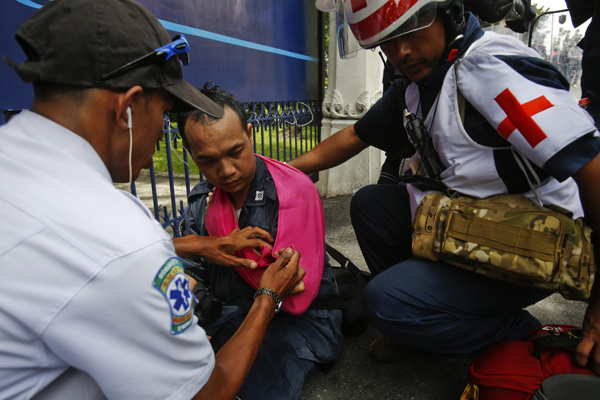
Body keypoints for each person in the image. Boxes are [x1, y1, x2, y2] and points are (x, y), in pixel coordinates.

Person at [0, 1, 305, 399]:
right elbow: (205, 393)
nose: (162, 135)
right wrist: (269, 296)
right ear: (126, 109)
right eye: (163, 113)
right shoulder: (120, 240)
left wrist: (197, 245)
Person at [296, 0, 600, 371]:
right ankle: (422, 321)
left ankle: (526, 335)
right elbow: (353, 136)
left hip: (535, 245)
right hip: (475, 224)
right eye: (387, 42)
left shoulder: (489, 72)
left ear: (447, 11)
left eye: (410, 31)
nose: (400, 52)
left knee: (385, 302)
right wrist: (274, 171)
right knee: (371, 204)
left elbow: (591, 166)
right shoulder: (422, 78)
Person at [175, 83, 343, 400]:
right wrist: (173, 317)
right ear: (192, 154)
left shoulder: (291, 193)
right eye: (207, 160)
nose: (225, 171)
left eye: (235, 152)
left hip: (298, 321)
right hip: (232, 313)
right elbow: (193, 268)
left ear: (249, 134)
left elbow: (293, 288)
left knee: (238, 388)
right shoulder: (204, 198)